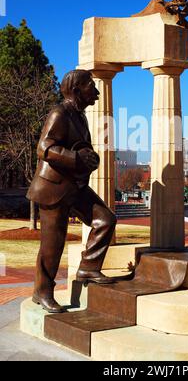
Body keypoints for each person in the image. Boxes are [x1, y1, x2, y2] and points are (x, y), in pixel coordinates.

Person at [27, 70, 117, 314]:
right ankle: (42, 291)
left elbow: (79, 148)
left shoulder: (80, 116)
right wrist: (75, 158)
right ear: (77, 90)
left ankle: (88, 266)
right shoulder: (60, 113)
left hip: (74, 186)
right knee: (52, 245)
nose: (97, 92)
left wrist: (90, 159)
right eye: (92, 87)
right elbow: (44, 148)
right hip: (52, 189)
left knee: (105, 220)